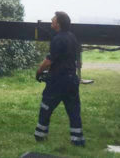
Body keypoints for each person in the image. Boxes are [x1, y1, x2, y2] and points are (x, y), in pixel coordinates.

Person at [34, 11, 85, 147]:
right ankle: (78, 140)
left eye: (54, 19)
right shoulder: (72, 37)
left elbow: (49, 61)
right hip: (71, 80)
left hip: (57, 80)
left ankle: (40, 136)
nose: (52, 19)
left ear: (59, 24)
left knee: (46, 107)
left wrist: (39, 71)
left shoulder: (57, 39)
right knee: (73, 110)